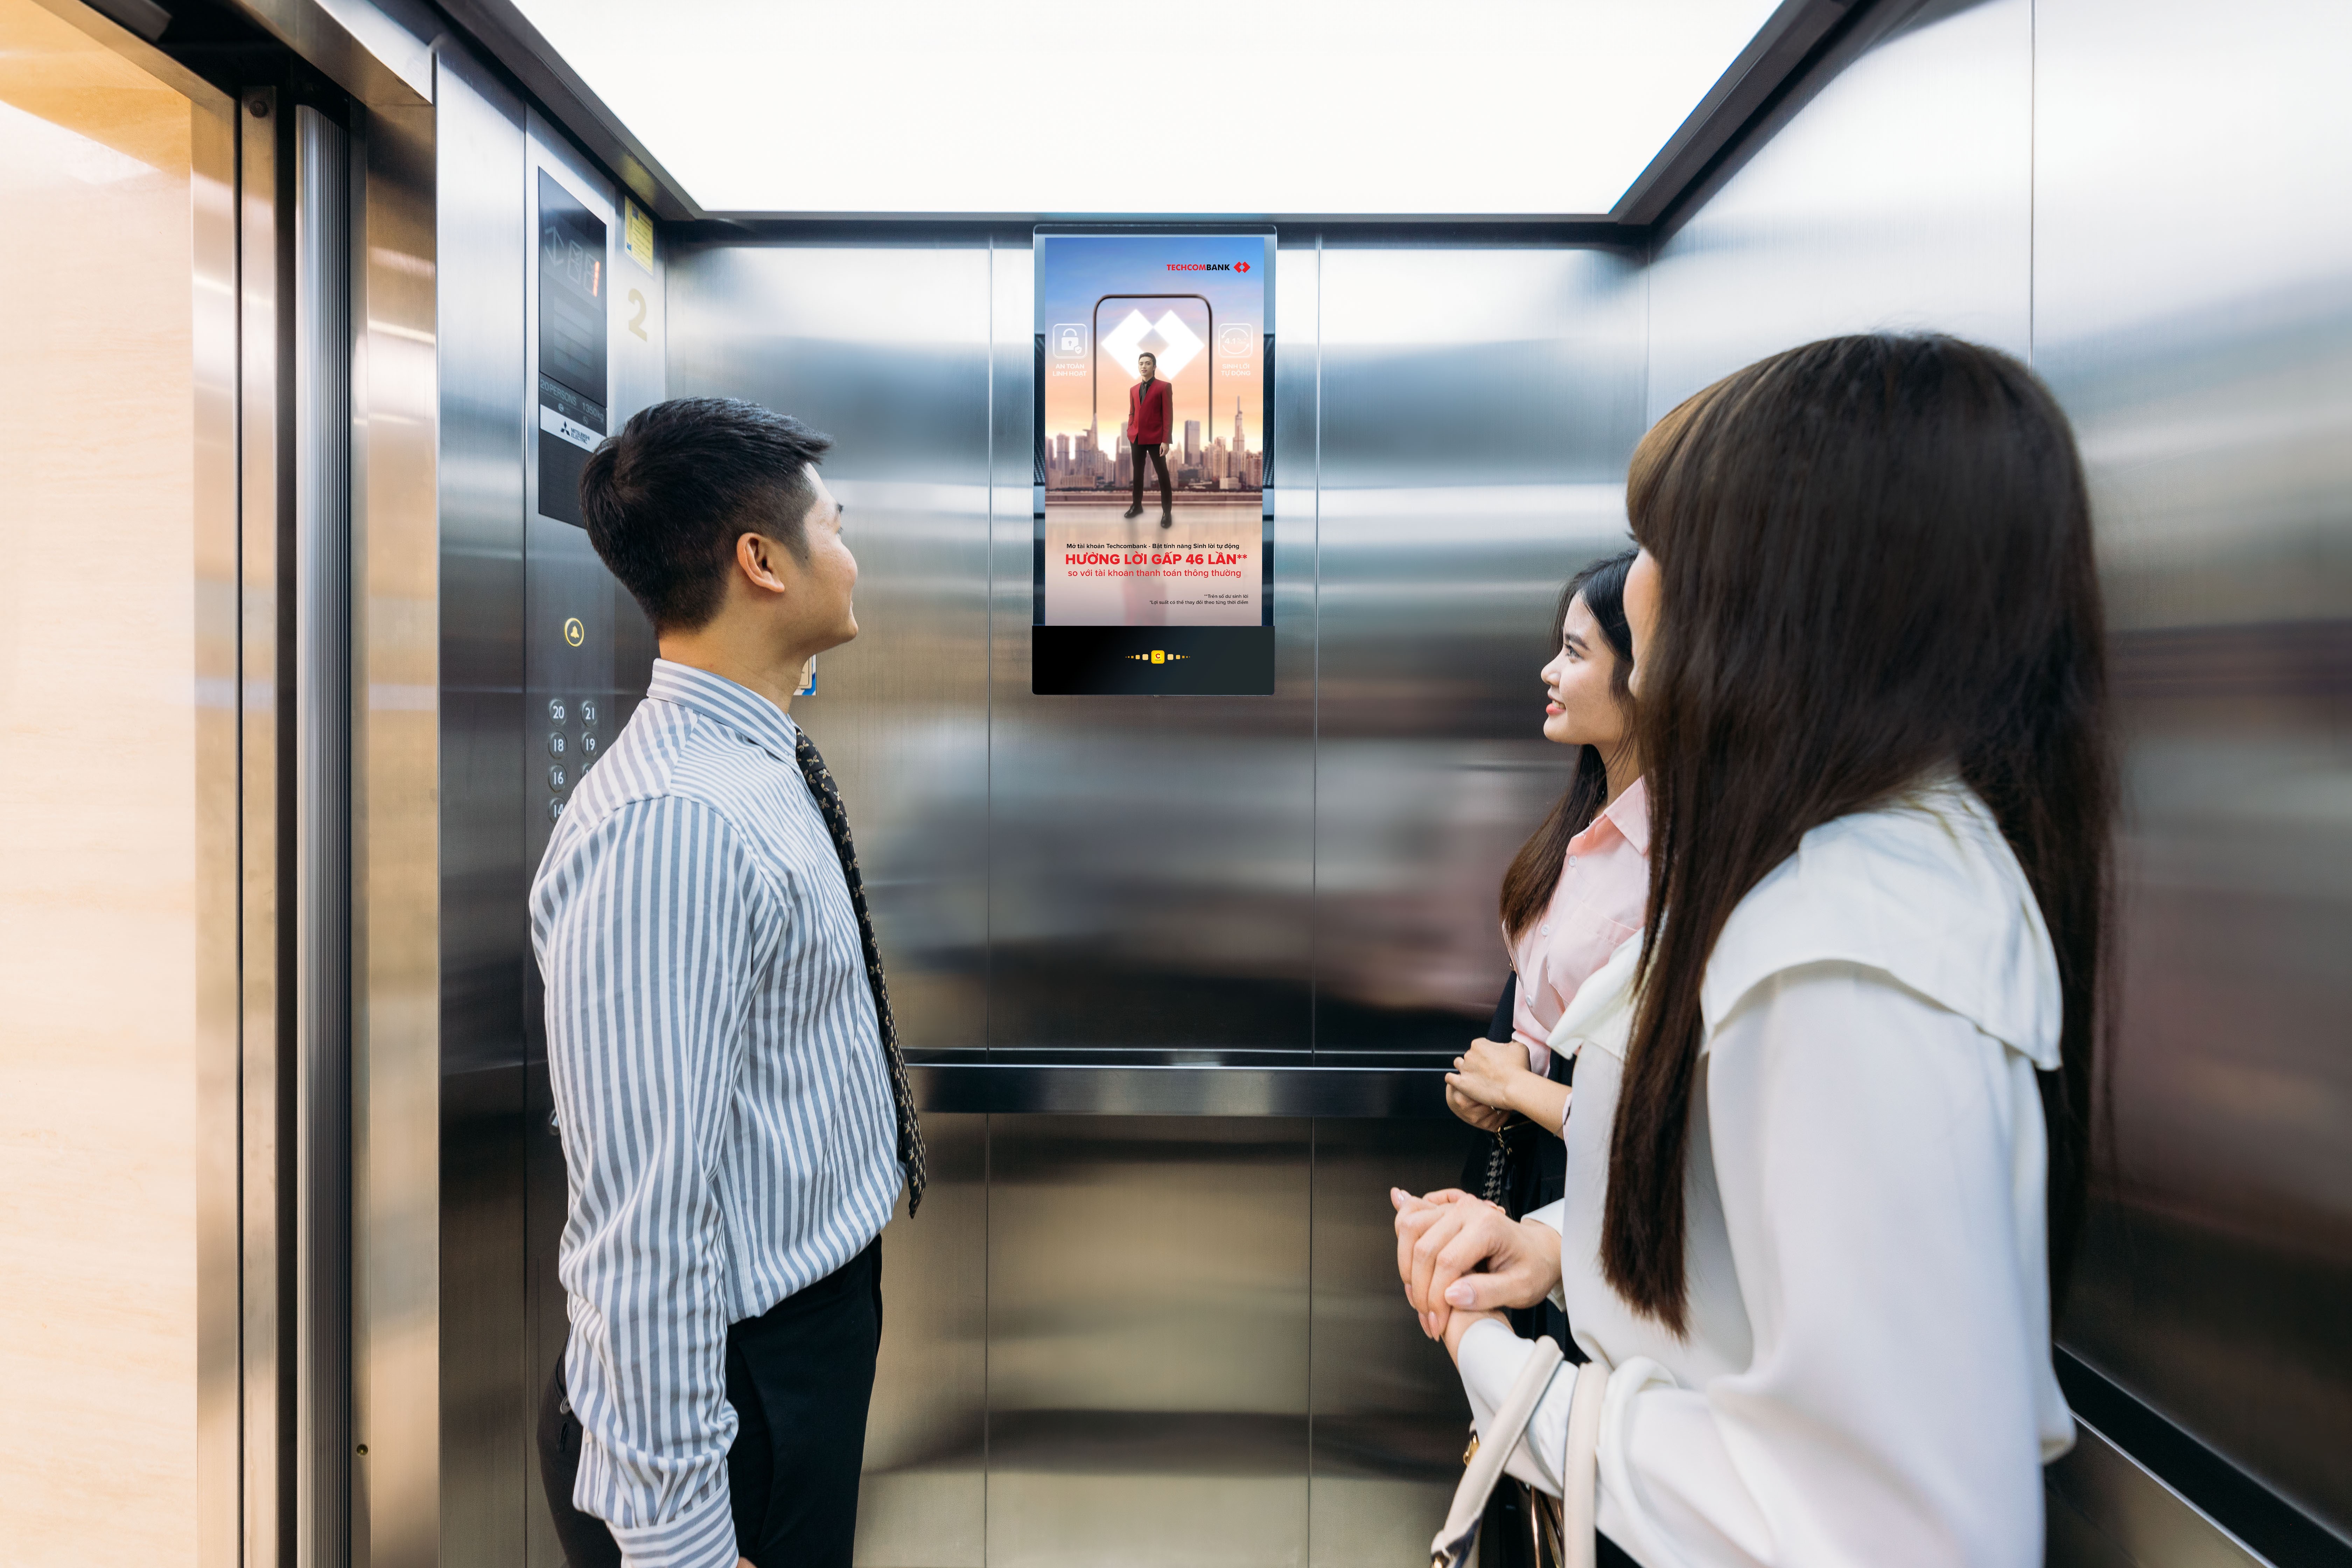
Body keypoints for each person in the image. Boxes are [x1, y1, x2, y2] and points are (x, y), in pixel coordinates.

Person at [1396, 334, 2109, 1568]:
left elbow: (1897, 1534)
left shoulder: (1850, 950)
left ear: (1790, 594)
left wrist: (1505, 1375)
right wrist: (1564, 1256)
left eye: (1668, 551)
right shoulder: (1866, 885)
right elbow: (1773, 1281)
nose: (1641, 590)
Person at [532, 397, 927, 1568]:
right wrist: (681, 1539)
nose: (852, 556)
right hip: (736, 1388)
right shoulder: (674, 823)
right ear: (763, 562)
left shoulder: (750, 762)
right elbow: (641, 1224)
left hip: (802, 1346)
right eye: (836, 527)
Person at [1446, 548, 1646, 1151]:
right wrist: (1497, 1077)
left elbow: (1658, 1122)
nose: (1549, 671)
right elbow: (1542, 1025)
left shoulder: (1682, 855)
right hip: (1539, 1177)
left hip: (1598, 1195)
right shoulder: (1581, 829)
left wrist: (1518, 1089)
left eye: (1575, 653)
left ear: (1646, 675)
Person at [1124, 350, 1174, 525]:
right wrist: (1130, 430)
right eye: (1141, 364)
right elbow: (1132, 412)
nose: (1143, 367)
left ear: (1154, 367)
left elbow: (1168, 415)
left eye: (1147, 363)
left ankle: (1167, 513)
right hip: (1136, 437)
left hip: (1156, 439)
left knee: (1162, 475)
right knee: (1138, 475)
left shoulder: (1164, 387)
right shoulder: (1133, 389)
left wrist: (1166, 440)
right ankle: (1137, 506)